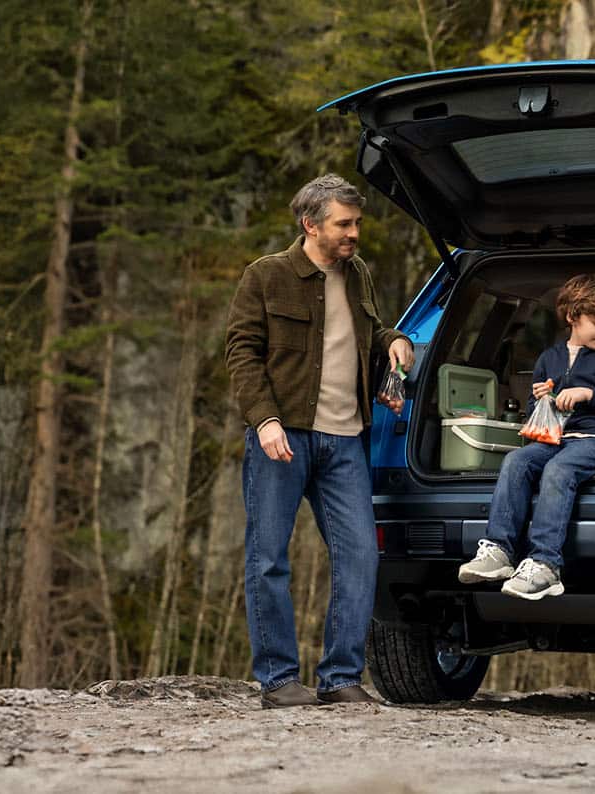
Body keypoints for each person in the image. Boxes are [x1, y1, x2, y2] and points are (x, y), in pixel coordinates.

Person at [225, 174, 413, 709]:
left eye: (357, 223)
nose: (355, 233)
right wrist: (264, 421)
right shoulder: (266, 276)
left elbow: (366, 334)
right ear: (311, 225)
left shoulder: (357, 276)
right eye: (344, 224)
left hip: (346, 439)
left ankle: (340, 678)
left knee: (360, 558)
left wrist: (395, 343)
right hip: (281, 437)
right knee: (268, 559)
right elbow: (241, 352)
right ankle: (280, 680)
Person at [457, 274, 595, 600]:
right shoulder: (549, 359)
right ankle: (499, 550)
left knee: (559, 470)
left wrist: (589, 394)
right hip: (558, 439)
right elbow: (536, 414)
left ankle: (545, 564)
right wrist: (543, 400)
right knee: (516, 460)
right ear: (572, 317)